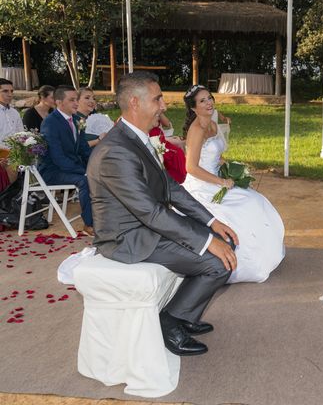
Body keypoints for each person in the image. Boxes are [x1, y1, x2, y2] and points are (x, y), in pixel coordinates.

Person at [86, 71, 238, 357]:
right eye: (157, 100)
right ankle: (170, 321)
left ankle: (185, 315)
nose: (163, 106)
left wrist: (211, 221)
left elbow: (170, 187)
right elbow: (150, 211)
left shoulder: (137, 138)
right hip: (128, 238)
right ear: (135, 103)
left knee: (225, 245)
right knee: (218, 262)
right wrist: (206, 242)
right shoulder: (115, 151)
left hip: (148, 226)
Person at [181, 84, 285, 283]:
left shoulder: (212, 123)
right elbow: (191, 168)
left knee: (256, 201)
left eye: (209, 97)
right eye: (202, 101)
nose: (209, 102)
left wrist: (227, 166)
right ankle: (241, 264)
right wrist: (221, 181)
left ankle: (266, 254)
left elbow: (214, 155)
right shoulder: (196, 129)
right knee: (241, 210)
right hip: (201, 186)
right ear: (193, 108)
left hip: (217, 179)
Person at [39, 87, 94, 236]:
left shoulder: (77, 119)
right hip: (52, 171)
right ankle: (89, 225)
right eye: (72, 100)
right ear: (59, 102)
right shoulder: (50, 123)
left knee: (100, 175)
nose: (76, 103)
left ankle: (102, 218)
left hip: (70, 166)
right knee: (86, 180)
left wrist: (95, 166)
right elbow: (58, 158)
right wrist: (85, 171)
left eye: (76, 99)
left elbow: (83, 149)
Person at [0, 78, 23, 190]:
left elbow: (21, 135)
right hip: (2, 154)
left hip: (15, 154)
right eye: (5, 91)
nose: (10, 94)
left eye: (11, 91)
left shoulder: (14, 112)